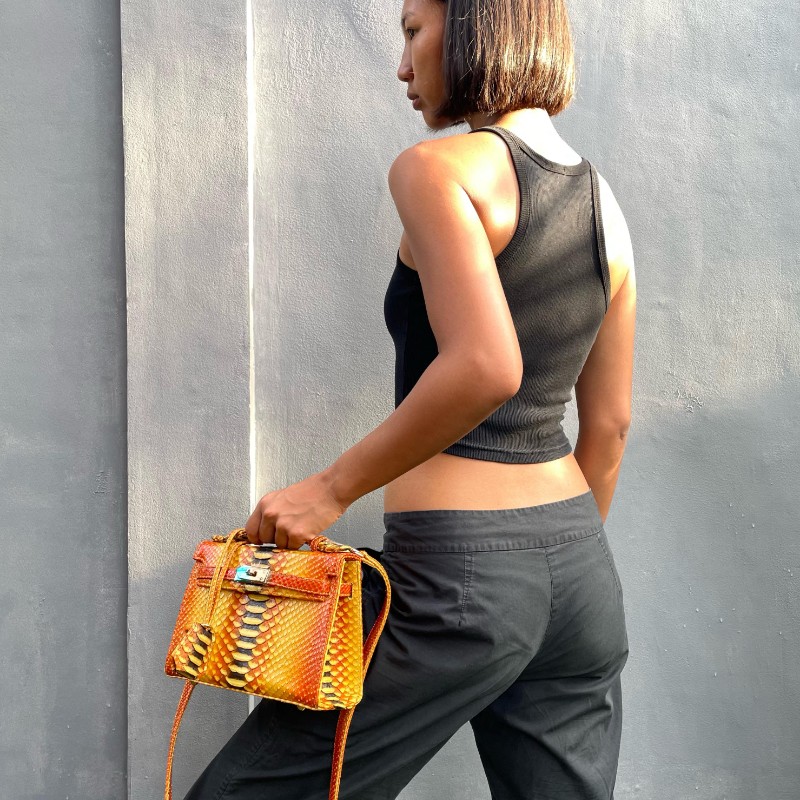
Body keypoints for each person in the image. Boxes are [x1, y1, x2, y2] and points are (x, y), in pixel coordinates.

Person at [182, 0, 636, 797]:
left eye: (413, 30)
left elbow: (486, 366)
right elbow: (610, 424)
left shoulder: (436, 170)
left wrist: (329, 490)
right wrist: (546, 574)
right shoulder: (606, 205)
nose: (402, 65)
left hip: (460, 580)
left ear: (473, 26)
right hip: (582, 580)